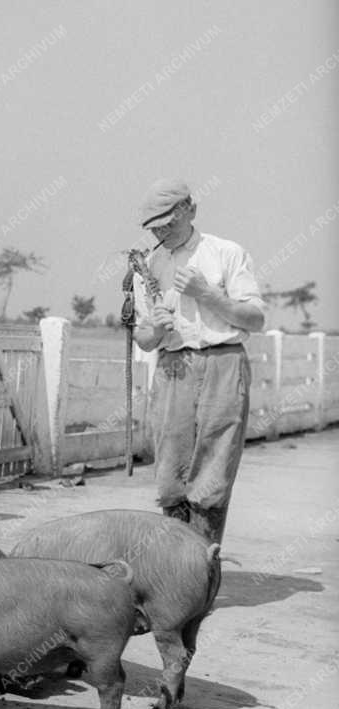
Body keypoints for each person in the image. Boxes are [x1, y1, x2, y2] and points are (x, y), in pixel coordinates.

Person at [132, 178, 266, 544]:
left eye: (170, 223)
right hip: (173, 367)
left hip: (223, 363)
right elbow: (143, 340)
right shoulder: (149, 264)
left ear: (191, 210)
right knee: (170, 472)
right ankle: (177, 569)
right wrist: (155, 329)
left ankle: (204, 565)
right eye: (155, 226)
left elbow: (254, 319)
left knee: (213, 471)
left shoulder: (226, 252)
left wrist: (206, 294)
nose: (163, 231)